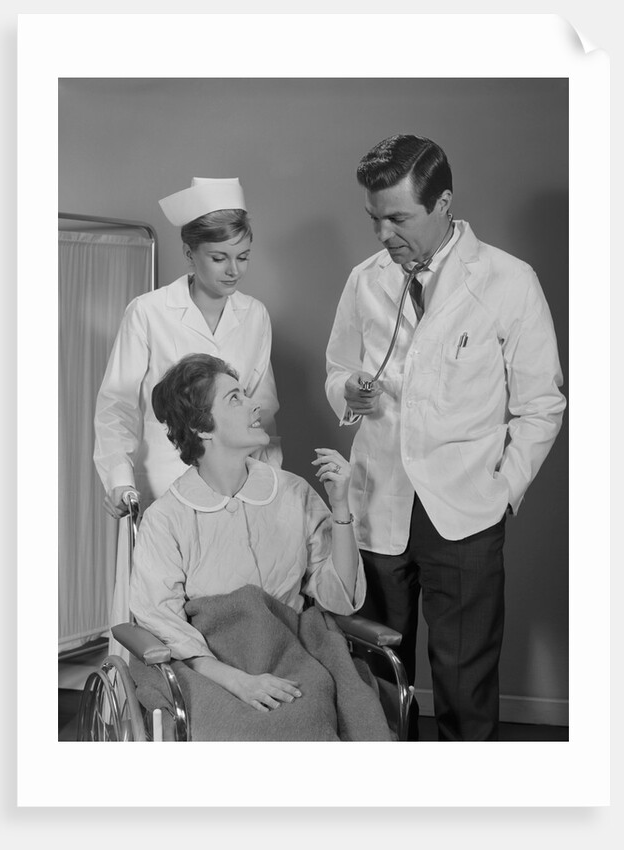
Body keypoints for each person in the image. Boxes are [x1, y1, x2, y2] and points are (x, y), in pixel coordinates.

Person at [325, 134, 566, 741]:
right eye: (374, 218)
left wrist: (503, 489)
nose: (383, 233)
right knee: (377, 674)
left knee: (465, 683)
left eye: (399, 218)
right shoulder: (365, 280)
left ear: (444, 204)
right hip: (379, 500)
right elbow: (336, 369)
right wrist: (346, 394)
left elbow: (541, 405)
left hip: (464, 512)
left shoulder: (508, 281)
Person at [128, 353, 389, 741]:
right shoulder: (166, 518)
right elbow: (159, 618)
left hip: (292, 652)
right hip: (208, 666)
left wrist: (340, 508)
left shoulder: (293, 493)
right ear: (202, 427)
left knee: (308, 711)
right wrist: (236, 681)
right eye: (234, 398)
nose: (256, 405)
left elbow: (340, 597)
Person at [94, 177, 281, 656]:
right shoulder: (149, 312)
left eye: (243, 256)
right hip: (163, 479)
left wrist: (269, 485)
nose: (234, 270)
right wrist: (118, 478)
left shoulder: (255, 315)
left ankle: (222, 703)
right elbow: (116, 404)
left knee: (228, 607)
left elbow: (263, 408)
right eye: (220, 257)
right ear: (189, 253)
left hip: (233, 483)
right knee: (160, 608)